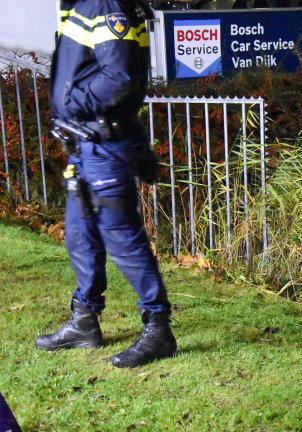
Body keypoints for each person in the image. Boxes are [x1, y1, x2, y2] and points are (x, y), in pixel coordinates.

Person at [35, 0, 176, 368]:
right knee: (81, 234)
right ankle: (84, 321)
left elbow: (119, 77)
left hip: (104, 145)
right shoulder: (84, 4)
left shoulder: (107, 5)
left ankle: (159, 329)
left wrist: (71, 102)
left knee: (122, 238)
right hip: (84, 145)